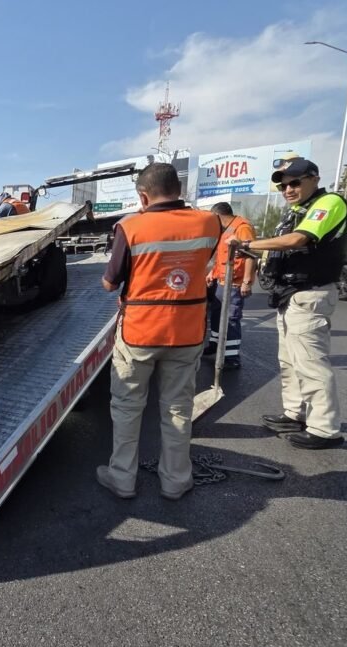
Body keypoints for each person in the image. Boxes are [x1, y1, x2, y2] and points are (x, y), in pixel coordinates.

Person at [96, 163, 221, 500]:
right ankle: (176, 480)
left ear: (143, 195)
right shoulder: (210, 222)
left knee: (127, 406)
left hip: (140, 332)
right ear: (178, 190)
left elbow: (110, 283)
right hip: (187, 330)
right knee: (178, 409)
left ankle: (123, 477)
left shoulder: (131, 227)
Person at [230, 157, 347, 450]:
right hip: (290, 295)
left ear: (314, 178)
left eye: (295, 182)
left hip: (310, 292)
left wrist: (246, 244)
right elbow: (281, 251)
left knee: (310, 363)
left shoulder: (328, 203)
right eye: (284, 185)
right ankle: (294, 414)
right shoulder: (297, 212)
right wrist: (254, 256)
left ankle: (324, 428)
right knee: (290, 362)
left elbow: (298, 241)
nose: (289, 189)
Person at [204, 202, 257, 370]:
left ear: (218, 216)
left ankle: (232, 356)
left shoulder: (242, 228)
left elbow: (250, 256)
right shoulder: (225, 230)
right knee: (217, 315)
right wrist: (212, 273)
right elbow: (222, 256)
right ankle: (214, 345)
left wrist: (247, 281)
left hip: (235, 283)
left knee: (231, 319)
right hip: (221, 282)